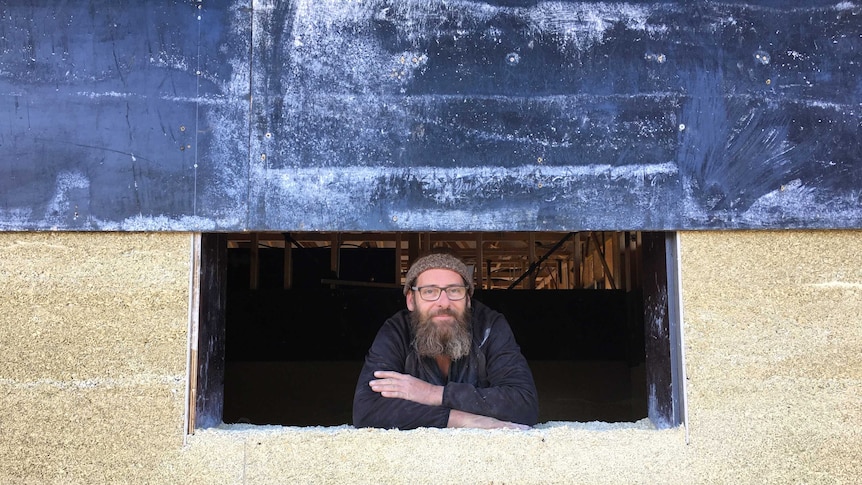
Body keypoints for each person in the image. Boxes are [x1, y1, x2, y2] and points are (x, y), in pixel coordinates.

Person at [352, 251, 539, 430]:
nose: (444, 302)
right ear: (411, 300)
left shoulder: (489, 327)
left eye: (454, 290)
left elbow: (524, 404)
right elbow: (367, 410)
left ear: (467, 299)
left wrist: (433, 394)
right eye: (429, 291)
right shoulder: (396, 331)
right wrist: (459, 419)